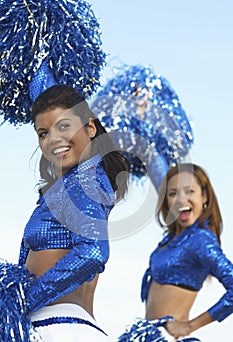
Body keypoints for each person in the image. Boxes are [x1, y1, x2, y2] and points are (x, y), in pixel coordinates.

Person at [0, 84, 130, 342]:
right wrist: (38, 49)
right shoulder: (69, 183)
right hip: (52, 324)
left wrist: (26, 301)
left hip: (58, 326)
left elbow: (93, 252)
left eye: (64, 126)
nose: (53, 139)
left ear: (90, 128)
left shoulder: (86, 181)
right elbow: (48, 94)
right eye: (43, 133)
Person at [118, 163, 233, 341]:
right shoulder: (170, 238)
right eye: (173, 193)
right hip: (144, 335)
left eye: (189, 191)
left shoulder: (201, 239)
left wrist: (189, 326)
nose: (180, 199)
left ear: (204, 196)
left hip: (167, 337)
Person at [91, 64, 194, 192]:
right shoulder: (119, 122)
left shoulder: (157, 121)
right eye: (136, 92)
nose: (140, 96)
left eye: (143, 92)